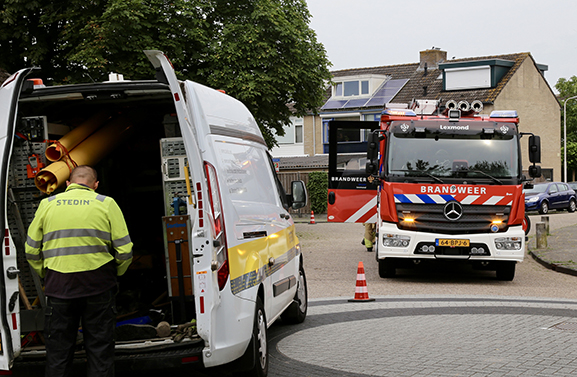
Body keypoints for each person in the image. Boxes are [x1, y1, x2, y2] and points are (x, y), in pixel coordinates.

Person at [25, 165, 133, 377]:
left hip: (58, 288)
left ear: (68, 183)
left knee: (58, 355)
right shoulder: (106, 203)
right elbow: (125, 250)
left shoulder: (47, 204)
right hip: (99, 287)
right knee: (100, 353)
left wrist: (45, 274)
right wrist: (116, 274)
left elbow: (30, 250)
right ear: (95, 185)